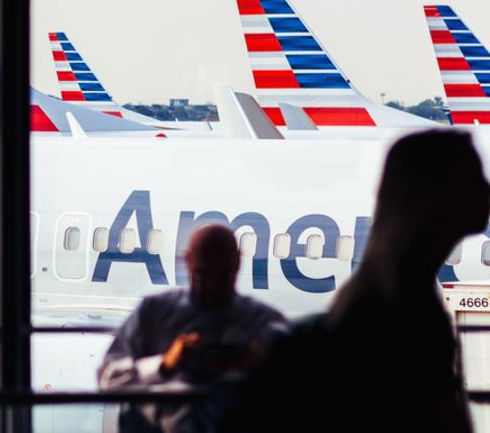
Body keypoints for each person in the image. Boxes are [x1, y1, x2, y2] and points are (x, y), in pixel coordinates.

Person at [241, 130, 489, 433]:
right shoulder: (397, 320)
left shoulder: (406, 301)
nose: (486, 190)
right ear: (437, 199)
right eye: (475, 179)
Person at [99, 224, 287, 433]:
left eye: (224, 275)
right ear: (187, 262)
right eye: (203, 274)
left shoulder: (262, 323)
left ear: (238, 263)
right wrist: (164, 365)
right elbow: (108, 379)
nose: (213, 285)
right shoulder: (152, 313)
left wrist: (258, 368)